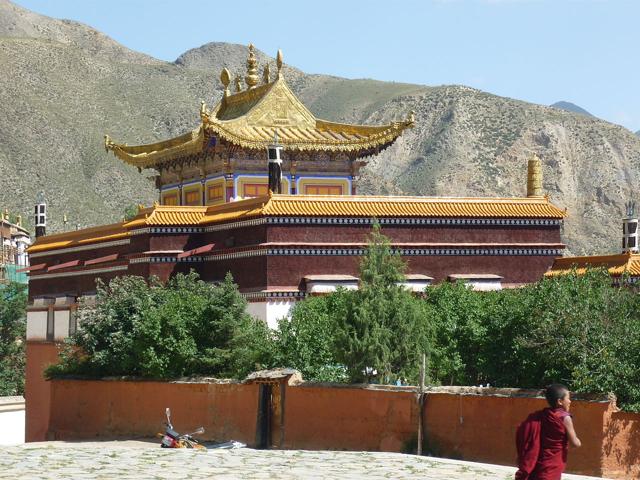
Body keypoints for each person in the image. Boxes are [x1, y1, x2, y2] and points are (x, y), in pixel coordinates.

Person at [516, 383, 581, 480]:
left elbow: (523, 429)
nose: (570, 401)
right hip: (552, 463)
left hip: (539, 461)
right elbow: (575, 443)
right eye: (568, 398)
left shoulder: (541, 416)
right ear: (560, 401)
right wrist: (579, 442)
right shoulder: (565, 417)